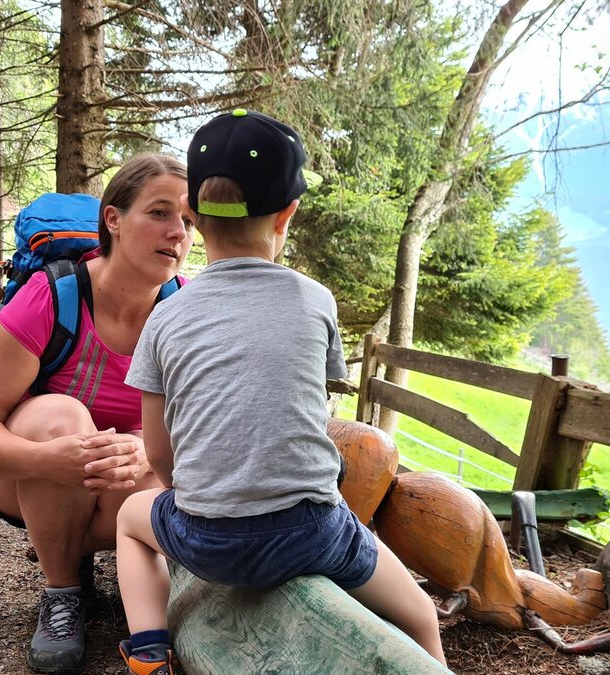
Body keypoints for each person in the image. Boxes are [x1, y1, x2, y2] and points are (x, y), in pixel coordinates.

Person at [114, 110, 447, 673]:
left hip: (204, 536)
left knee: (130, 518)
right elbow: (305, 411)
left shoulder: (166, 317)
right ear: (288, 214)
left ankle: (148, 650)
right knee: (419, 612)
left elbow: (159, 451)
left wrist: (198, 497)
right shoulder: (315, 300)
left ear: (193, 214)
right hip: (309, 532)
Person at [0, 154, 194, 674]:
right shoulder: (52, 297)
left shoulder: (187, 312)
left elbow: (202, 430)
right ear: (113, 219)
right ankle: (62, 592)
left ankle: (144, 592)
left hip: (123, 484)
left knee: (160, 462)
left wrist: (142, 449)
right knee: (60, 417)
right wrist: (46, 458)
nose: (177, 233)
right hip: (20, 475)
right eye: (159, 213)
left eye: (190, 221)